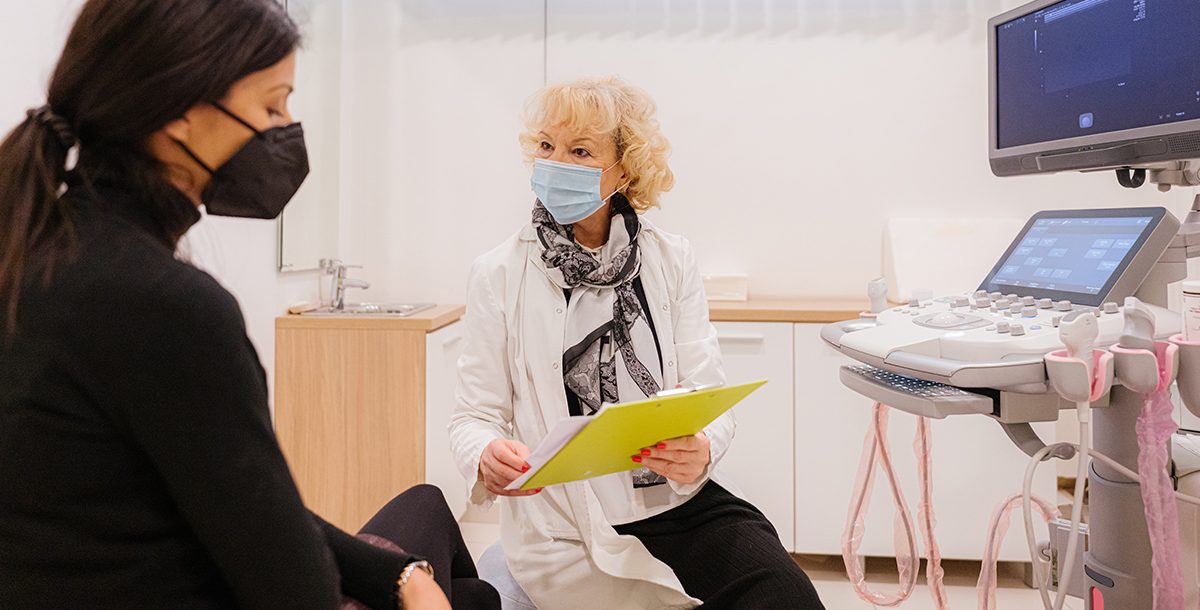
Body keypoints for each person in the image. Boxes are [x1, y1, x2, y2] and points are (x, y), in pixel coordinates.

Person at [0, 1, 496, 608]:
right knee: (467, 588)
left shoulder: (35, 254)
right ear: (181, 112)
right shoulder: (164, 306)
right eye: (271, 104)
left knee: (437, 544)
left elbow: (236, 502)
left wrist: (400, 575)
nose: (285, 126)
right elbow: (292, 582)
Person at [449, 77, 825, 609]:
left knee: (784, 594)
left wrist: (703, 448)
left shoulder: (670, 259)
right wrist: (486, 455)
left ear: (624, 169)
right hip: (567, 525)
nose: (556, 163)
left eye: (580, 150)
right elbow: (472, 418)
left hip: (671, 502)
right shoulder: (498, 274)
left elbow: (708, 394)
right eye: (546, 147)